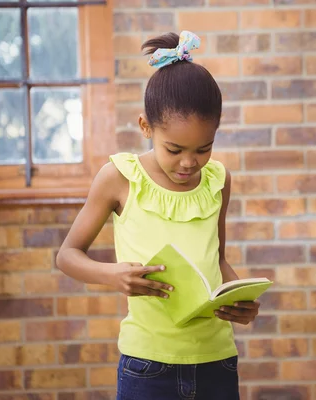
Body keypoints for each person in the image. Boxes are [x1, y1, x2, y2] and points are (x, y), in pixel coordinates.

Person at [56, 30, 259, 400]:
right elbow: (67, 256)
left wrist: (237, 297)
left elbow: (217, 259)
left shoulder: (218, 180)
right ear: (146, 127)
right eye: (174, 148)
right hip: (147, 366)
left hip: (217, 360)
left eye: (204, 148)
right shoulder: (119, 177)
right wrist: (113, 275)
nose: (189, 162)